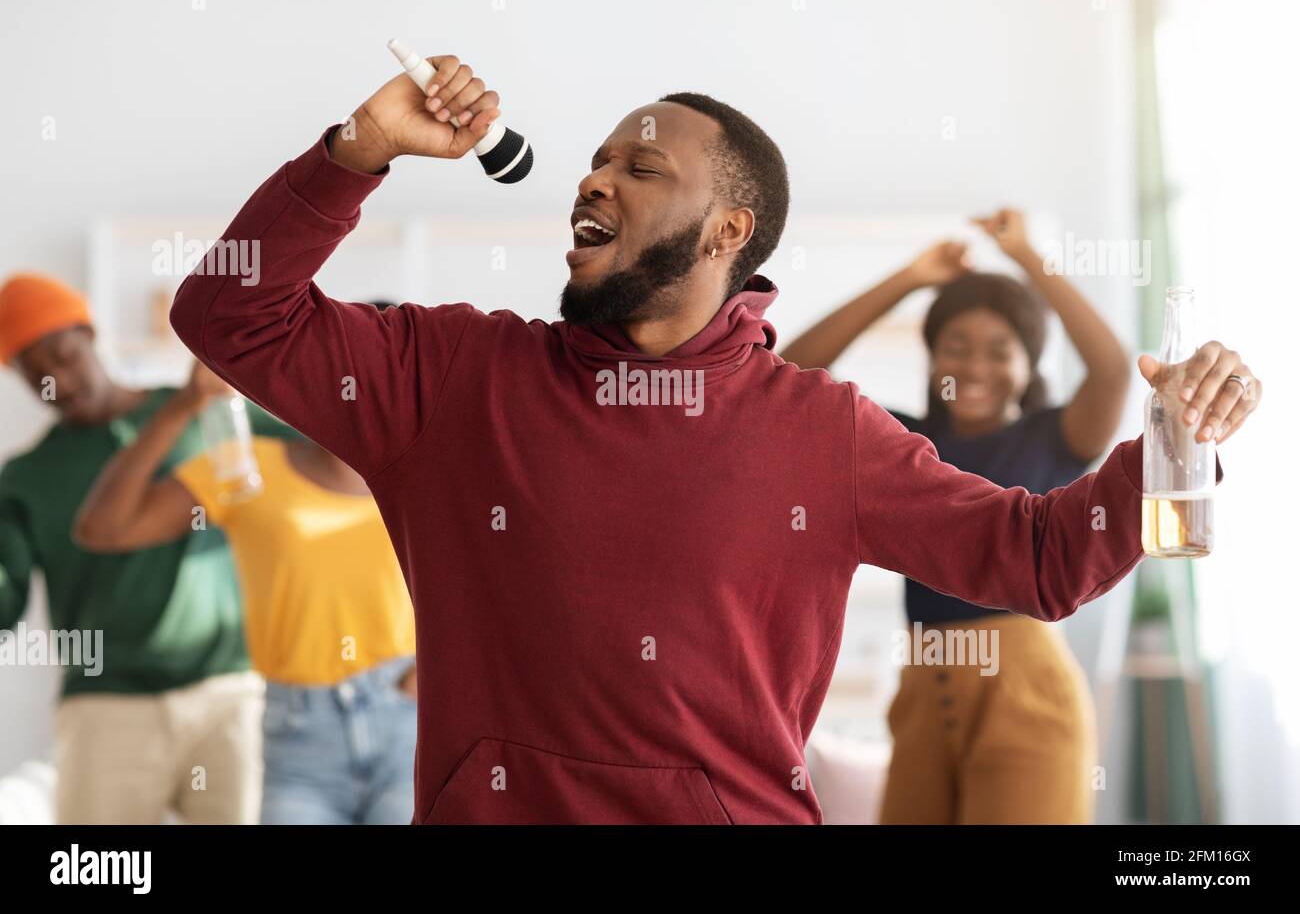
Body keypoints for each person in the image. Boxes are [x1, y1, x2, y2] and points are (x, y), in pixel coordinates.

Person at [167, 54, 1261, 824]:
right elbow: (227, 317)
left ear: (728, 231)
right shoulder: (454, 378)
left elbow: (1041, 556)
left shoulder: (822, 431)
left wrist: (1180, 439)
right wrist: (360, 149)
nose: (593, 179)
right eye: (594, 163)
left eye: (640, 170)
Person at [780, 210, 1131, 822]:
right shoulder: (903, 442)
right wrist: (910, 278)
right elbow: (792, 377)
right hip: (922, 687)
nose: (975, 367)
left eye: (1001, 351)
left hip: (1024, 690)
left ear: (1029, 367)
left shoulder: (1055, 438)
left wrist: (1026, 256)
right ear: (932, 354)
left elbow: (1111, 369)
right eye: (956, 346)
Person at [73, 339, 419, 825]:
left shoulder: (426, 477)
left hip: (409, 726)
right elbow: (104, 528)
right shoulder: (248, 469)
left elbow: (493, 586)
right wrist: (181, 407)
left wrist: (430, 673)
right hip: (297, 735)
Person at [0, 271, 295, 824]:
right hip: (106, 708)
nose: (60, 380)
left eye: (65, 354)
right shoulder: (25, 479)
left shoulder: (208, 410)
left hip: (226, 694)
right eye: (36, 372)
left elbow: (328, 460)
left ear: (89, 333)